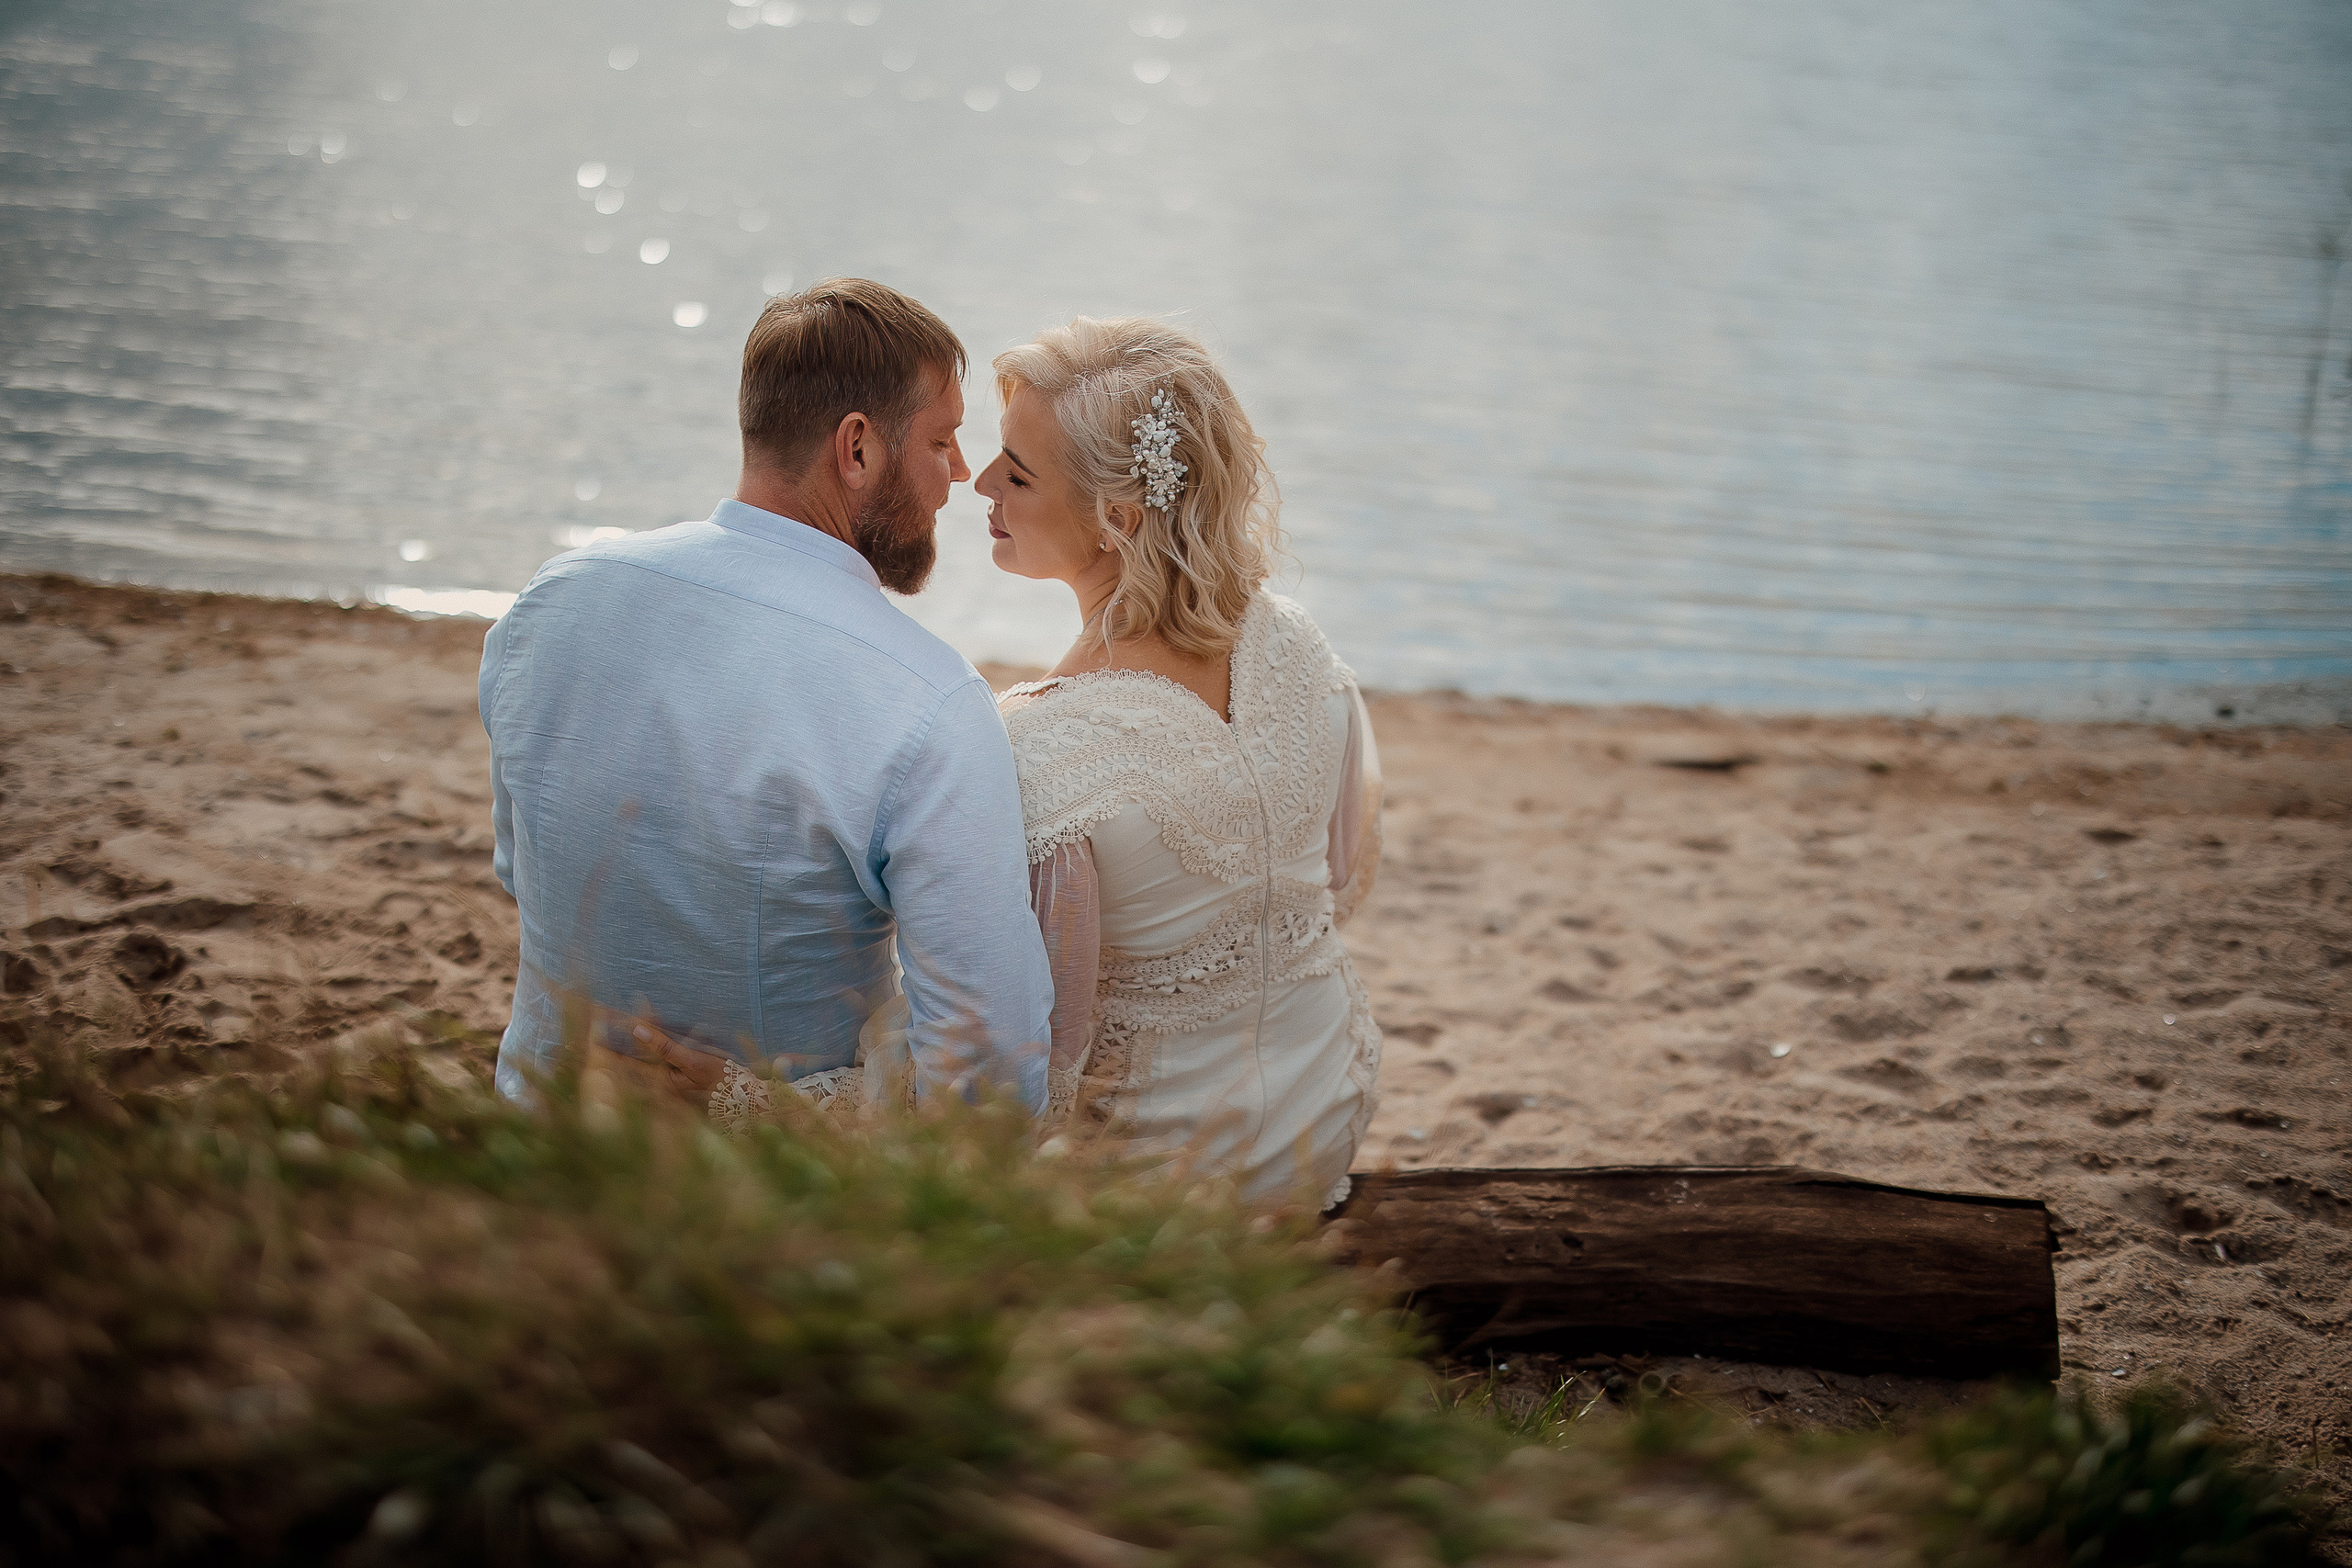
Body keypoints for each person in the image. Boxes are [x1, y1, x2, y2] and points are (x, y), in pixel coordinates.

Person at [660, 316, 1385, 1209]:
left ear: (1115, 519)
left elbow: (1032, 1070)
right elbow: (1345, 879)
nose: (981, 483)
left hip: (1164, 1185)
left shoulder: (1044, 748)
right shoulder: (1295, 646)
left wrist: (754, 1101)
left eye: (1020, 471)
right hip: (1323, 1112)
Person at [478, 278, 1053, 1113]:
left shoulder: (550, 603)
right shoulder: (927, 701)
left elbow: (522, 866)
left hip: (529, 1149)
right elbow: (994, 1072)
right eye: (942, 441)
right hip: (760, 1208)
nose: (960, 476)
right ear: (856, 449)